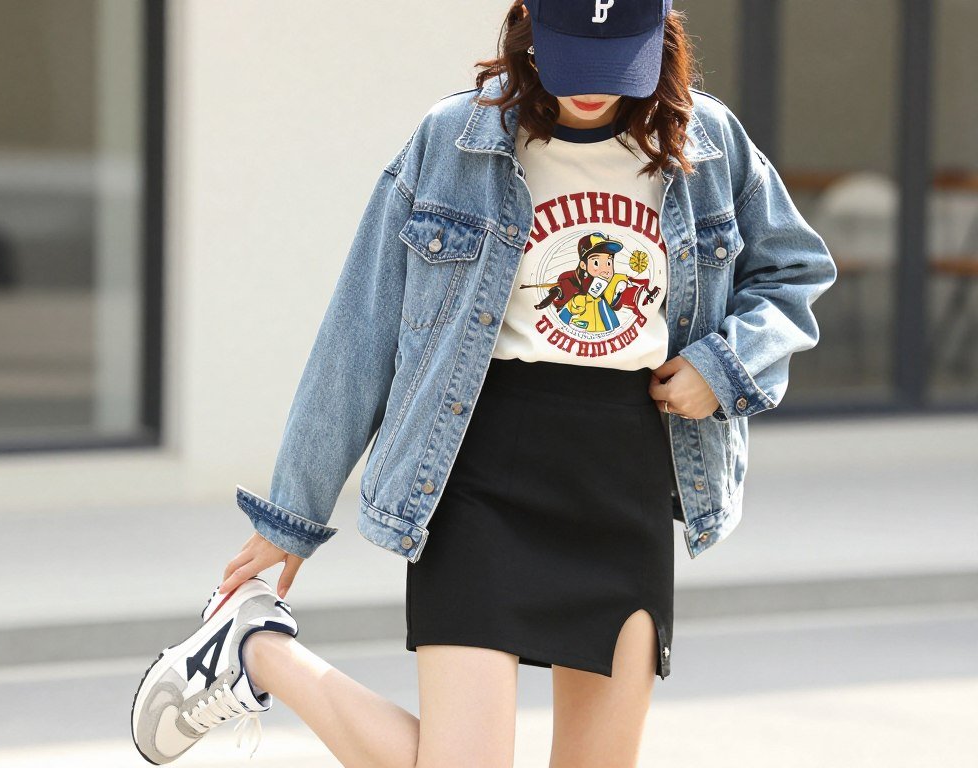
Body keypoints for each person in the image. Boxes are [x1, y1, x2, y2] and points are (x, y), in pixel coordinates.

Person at [131, 1, 838, 765]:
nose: (592, 91)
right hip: (479, 471)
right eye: (573, 60)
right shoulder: (453, 140)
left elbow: (794, 273)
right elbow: (359, 332)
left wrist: (725, 367)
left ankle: (252, 652)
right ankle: (256, 651)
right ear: (529, 24)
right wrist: (292, 515)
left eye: (616, 64)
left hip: (627, 473)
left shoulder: (705, 141)